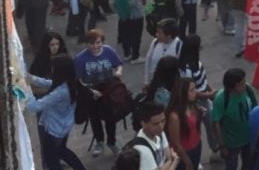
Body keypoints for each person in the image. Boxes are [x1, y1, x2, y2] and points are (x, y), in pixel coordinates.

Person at [26, 55, 87, 170]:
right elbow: (49, 83)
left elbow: (34, 106)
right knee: (62, 151)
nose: (51, 69)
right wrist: (32, 79)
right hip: (64, 126)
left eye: (53, 67)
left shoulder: (60, 92)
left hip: (55, 130)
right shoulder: (71, 82)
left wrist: (27, 90)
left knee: (51, 161)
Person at [73, 29, 123, 157]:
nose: (95, 46)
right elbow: (78, 80)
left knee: (111, 118)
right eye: (91, 43)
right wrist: (91, 91)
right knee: (95, 119)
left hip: (108, 90)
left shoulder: (108, 51)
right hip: (91, 91)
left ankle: (112, 142)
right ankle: (99, 141)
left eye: (98, 42)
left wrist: (118, 71)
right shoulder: (80, 58)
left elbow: (118, 64)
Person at [212, 68, 258, 170]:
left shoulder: (248, 90)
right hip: (231, 143)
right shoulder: (221, 99)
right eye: (241, 84)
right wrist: (222, 145)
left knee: (248, 164)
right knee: (231, 166)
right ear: (232, 87)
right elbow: (216, 123)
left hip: (248, 138)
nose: (244, 85)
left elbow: (255, 110)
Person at [166, 78, 203, 170]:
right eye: (191, 90)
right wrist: (187, 161)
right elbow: (176, 144)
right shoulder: (174, 116)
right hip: (185, 152)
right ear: (183, 93)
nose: (195, 92)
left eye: (195, 88)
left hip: (196, 145)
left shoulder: (192, 106)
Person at [131, 100, 180, 170]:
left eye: (163, 121)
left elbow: (168, 157)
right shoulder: (142, 149)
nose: (161, 126)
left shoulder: (159, 133)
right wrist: (175, 161)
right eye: (155, 124)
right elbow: (170, 159)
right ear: (143, 124)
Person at [144, 18, 183, 85]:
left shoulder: (179, 46)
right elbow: (148, 61)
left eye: (159, 33)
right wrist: (146, 81)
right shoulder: (155, 42)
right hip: (154, 83)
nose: (156, 34)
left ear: (169, 35)